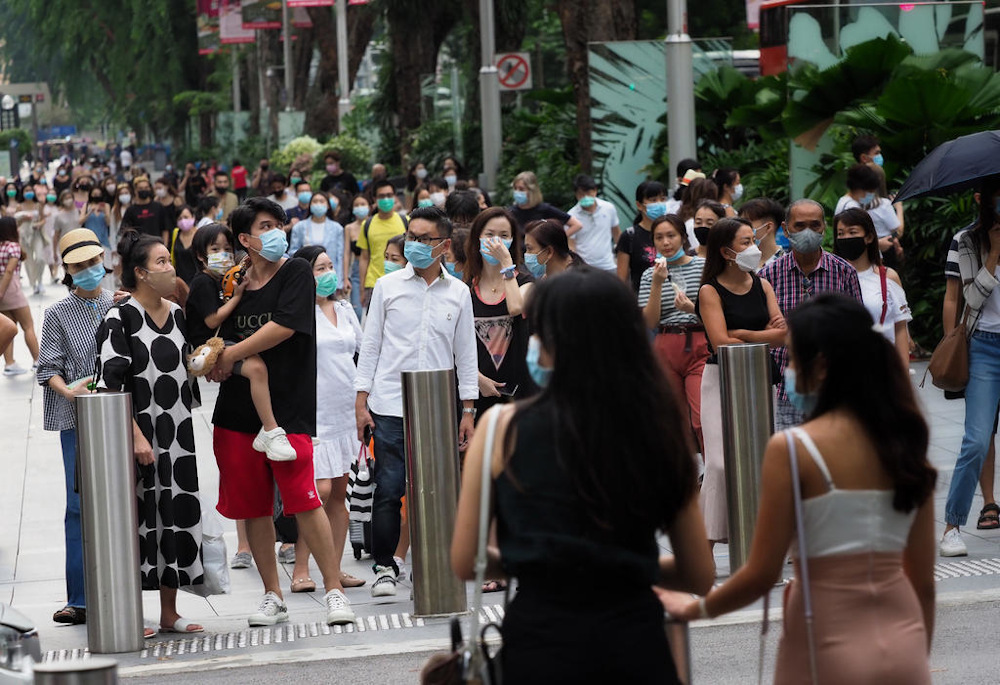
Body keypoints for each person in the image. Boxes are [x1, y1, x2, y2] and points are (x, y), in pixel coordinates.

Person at [450, 267, 715, 683]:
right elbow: (698, 573)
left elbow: (467, 560)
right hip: (635, 642)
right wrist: (622, 563)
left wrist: (544, 561)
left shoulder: (502, 428)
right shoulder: (658, 426)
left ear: (553, 341)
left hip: (540, 643)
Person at [662, 294, 936, 683]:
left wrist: (693, 610)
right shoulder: (906, 443)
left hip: (824, 643)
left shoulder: (794, 449)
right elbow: (923, 584)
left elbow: (760, 573)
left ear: (820, 366)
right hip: (906, 644)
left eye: (791, 357)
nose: (787, 368)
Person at [206, 197, 355, 626]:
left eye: (279, 224)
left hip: (288, 409)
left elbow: (286, 325)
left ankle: (334, 591)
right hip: (236, 411)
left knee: (305, 498)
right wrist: (216, 358)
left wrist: (231, 353)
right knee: (254, 506)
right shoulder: (232, 283)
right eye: (266, 226)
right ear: (245, 239)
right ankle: (272, 594)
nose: (277, 232)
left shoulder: (296, 272)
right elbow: (210, 328)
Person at [355, 206, 478, 597]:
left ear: (443, 245)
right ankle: (384, 566)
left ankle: (434, 565)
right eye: (411, 237)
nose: (414, 245)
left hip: (439, 407)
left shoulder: (458, 292)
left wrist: (468, 409)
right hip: (390, 404)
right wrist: (362, 402)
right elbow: (370, 345)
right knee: (390, 488)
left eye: (424, 239)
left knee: (437, 490)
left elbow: (466, 355)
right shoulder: (389, 287)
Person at [95, 230, 205, 638]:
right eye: (160, 262)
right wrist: (136, 436)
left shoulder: (177, 314)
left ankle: (169, 611)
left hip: (177, 433)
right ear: (139, 273)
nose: (169, 268)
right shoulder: (118, 317)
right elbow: (110, 383)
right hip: (139, 434)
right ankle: (132, 610)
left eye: (169, 260)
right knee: (138, 521)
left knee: (173, 517)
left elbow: (186, 368)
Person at [36, 229, 115, 626]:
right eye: (79, 266)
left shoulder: (118, 304)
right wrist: (68, 391)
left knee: (122, 502)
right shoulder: (57, 313)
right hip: (77, 418)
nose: (89, 271)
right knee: (78, 505)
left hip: (120, 415)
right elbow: (46, 368)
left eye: (92, 263)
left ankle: (122, 590)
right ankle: (80, 599)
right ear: (67, 270)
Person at [697, 218, 786, 544]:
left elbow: (784, 336)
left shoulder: (762, 285)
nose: (754, 248)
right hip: (721, 379)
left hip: (758, 377)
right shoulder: (710, 290)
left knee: (758, 464)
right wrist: (764, 335)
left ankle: (759, 543)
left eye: (753, 240)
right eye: (745, 242)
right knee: (719, 464)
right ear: (726, 251)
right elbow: (720, 342)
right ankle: (705, 540)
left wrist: (744, 333)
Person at [285, 245, 366, 591]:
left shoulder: (345, 309)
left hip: (345, 408)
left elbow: (363, 352)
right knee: (316, 491)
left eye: (331, 266)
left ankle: (334, 568)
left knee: (339, 493)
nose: (328, 274)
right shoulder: (296, 314)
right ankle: (301, 568)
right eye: (320, 268)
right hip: (312, 413)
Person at [759, 199, 863, 431]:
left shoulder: (844, 272)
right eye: (800, 226)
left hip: (834, 388)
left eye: (815, 225)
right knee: (791, 459)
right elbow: (761, 331)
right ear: (785, 229)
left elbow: (858, 332)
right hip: (784, 390)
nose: (808, 232)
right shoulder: (768, 275)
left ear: (824, 227)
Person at [941, 179, 1000, 556]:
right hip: (984, 346)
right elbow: (970, 297)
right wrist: (993, 254)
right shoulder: (966, 240)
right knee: (977, 439)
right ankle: (952, 527)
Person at [638, 215, 707, 451]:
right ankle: (682, 477)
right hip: (666, 344)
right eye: (659, 238)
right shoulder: (650, 275)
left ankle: (713, 477)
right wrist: (657, 283)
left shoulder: (703, 266)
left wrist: (691, 308)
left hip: (699, 342)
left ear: (683, 237)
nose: (666, 242)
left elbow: (717, 312)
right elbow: (649, 321)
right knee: (673, 418)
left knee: (701, 418)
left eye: (671, 236)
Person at [465, 207, 535, 418]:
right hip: (478, 395)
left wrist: (506, 264)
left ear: (513, 240)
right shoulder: (466, 288)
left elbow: (516, 307)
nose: (496, 242)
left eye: (504, 236)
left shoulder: (525, 281)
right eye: (489, 235)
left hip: (518, 395)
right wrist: (477, 379)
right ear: (478, 237)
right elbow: (455, 344)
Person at [832, 208, 911, 368]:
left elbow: (900, 329)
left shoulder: (887, 277)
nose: (846, 238)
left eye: (852, 232)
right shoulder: (830, 276)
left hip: (882, 369)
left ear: (868, 237)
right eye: (840, 234)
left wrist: (902, 375)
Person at [835, 164, 902, 268]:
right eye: (870, 191)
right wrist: (879, 244)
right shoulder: (852, 207)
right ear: (860, 188)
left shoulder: (845, 201)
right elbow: (852, 241)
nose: (871, 195)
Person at [357, 179, 407, 306]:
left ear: (395, 196)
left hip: (402, 282)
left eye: (389, 195)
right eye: (381, 196)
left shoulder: (406, 221)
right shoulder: (367, 224)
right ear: (374, 199)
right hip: (374, 283)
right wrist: (362, 289)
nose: (386, 199)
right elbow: (364, 258)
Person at [0, 217, 40, 375]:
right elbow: (9, 270)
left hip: (2, 290)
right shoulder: (13, 247)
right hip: (11, 288)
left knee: (8, 326)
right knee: (28, 325)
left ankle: (9, 363)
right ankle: (38, 360)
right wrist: (2, 291)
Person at [289, 191, 349, 293]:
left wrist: (341, 280)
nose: (318, 204)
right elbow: (293, 252)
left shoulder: (337, 228)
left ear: (328, 205)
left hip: (329, 278)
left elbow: (340, 256)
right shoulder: (299, 227)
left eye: (322, 201)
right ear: (310, 205)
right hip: (306, 276)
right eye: (315, 201)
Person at [616, 181, 668, 292]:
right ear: (639, 205)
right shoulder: (629, 236)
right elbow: (621, 279)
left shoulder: (673, 231)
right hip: (642, 300)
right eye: (653, 200)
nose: (659, 204)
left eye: (663, 199)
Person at [566, 174, 620, 273]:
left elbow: (617, 233)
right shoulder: (571, 216)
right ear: (576, 194)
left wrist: (621, 257)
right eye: (580, 194)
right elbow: (571, 245)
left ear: (595, 190)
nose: (585, 197)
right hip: (584, 268)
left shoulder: (609, 208)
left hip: (608, 265)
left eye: (588, 193)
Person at [508, 171, 581, 237]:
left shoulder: (544, 209)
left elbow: (576, 224)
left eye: (521, 189)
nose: (517, 192)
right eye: (515, 188)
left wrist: (557, 242)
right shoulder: (510, 212)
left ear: (532, 191)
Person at [738, 197, 784, 267]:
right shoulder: (739, 261)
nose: (741, 228)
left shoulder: (785, 264)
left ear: (768, 227)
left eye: (747, 223)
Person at [123, 177, 168, 244]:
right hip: (139, 248)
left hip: (157, 245)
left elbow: (165, 229)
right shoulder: (130, 210)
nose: (144, 190)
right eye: (140, 188)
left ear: (150, 189)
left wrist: (165, 246)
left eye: (146, 187)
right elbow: (126, 232)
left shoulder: (158, 207)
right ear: (135, 190)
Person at [167, 205, 201, 285]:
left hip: (197, 280)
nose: (183, 221)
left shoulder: (200, 234)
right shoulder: (175, 234)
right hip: (180, 280)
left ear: (193, 217)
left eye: (186, 217)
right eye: (180, 218)